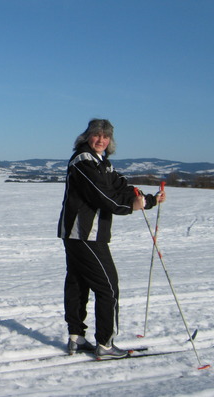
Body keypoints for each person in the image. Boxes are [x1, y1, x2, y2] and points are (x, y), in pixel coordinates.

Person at [57, 118, 165, 359]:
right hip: (85, 234)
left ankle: (76, 337)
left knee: (79, 282)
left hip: (82, 234)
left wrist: (148, 200)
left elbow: (122, 187)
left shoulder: (102, 163)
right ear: (87, 136)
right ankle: (105, 344)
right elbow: (102, 197)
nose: (101, 140)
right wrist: (131, 208)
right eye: (96, 135)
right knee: (108, 288)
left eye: (105, 137)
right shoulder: (84, 162)